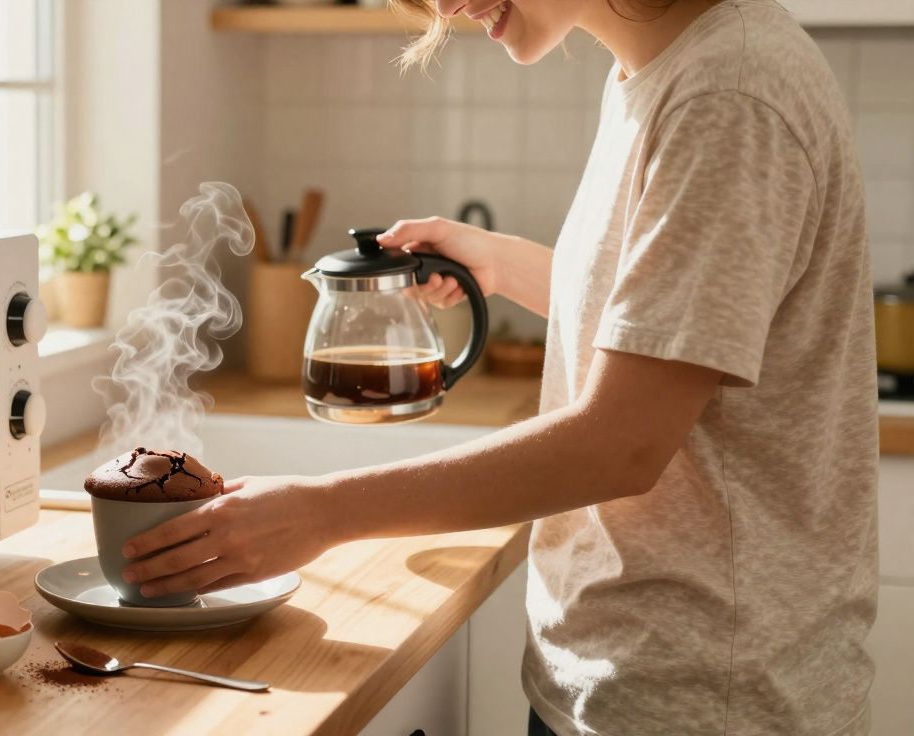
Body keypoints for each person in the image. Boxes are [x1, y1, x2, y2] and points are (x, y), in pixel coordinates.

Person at [123, 1, 878, 733]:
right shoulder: (658, 70)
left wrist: (320, 512)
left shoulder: (729, 96)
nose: (445, 5)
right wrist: (502, 263)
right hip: (623, 675)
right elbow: (667, 321)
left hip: (704, 700)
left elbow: (623, 443)